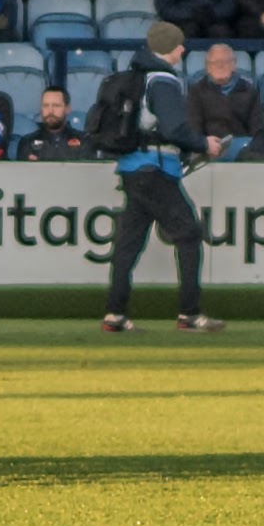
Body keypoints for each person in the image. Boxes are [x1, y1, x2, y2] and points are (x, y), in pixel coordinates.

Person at [96, 23, 224, 333]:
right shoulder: (163, 80)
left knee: (128, 243)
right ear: (169, 47)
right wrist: (204, 143)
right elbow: (172, 129)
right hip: (155, 170)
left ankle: (116, 313)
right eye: (179, 45)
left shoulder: (138, 75)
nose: (183, 50)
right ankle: (190, 313)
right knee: (190, 235)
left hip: (131, 168)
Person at [187, 42, 264, 147]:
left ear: (234, 65)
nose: (220, 66)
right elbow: (194, 128)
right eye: (215, 62)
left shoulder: (249, 91)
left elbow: (257, 129)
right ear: (207, 67)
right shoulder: (196, 91)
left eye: (225, 61)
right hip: (209, 149)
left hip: (242, 150)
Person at [18, 88, 93, 161]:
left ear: (68, 109)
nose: (50, 111)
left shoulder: (83, 141)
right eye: (46, 105)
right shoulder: (27, 142)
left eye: (56, 106)